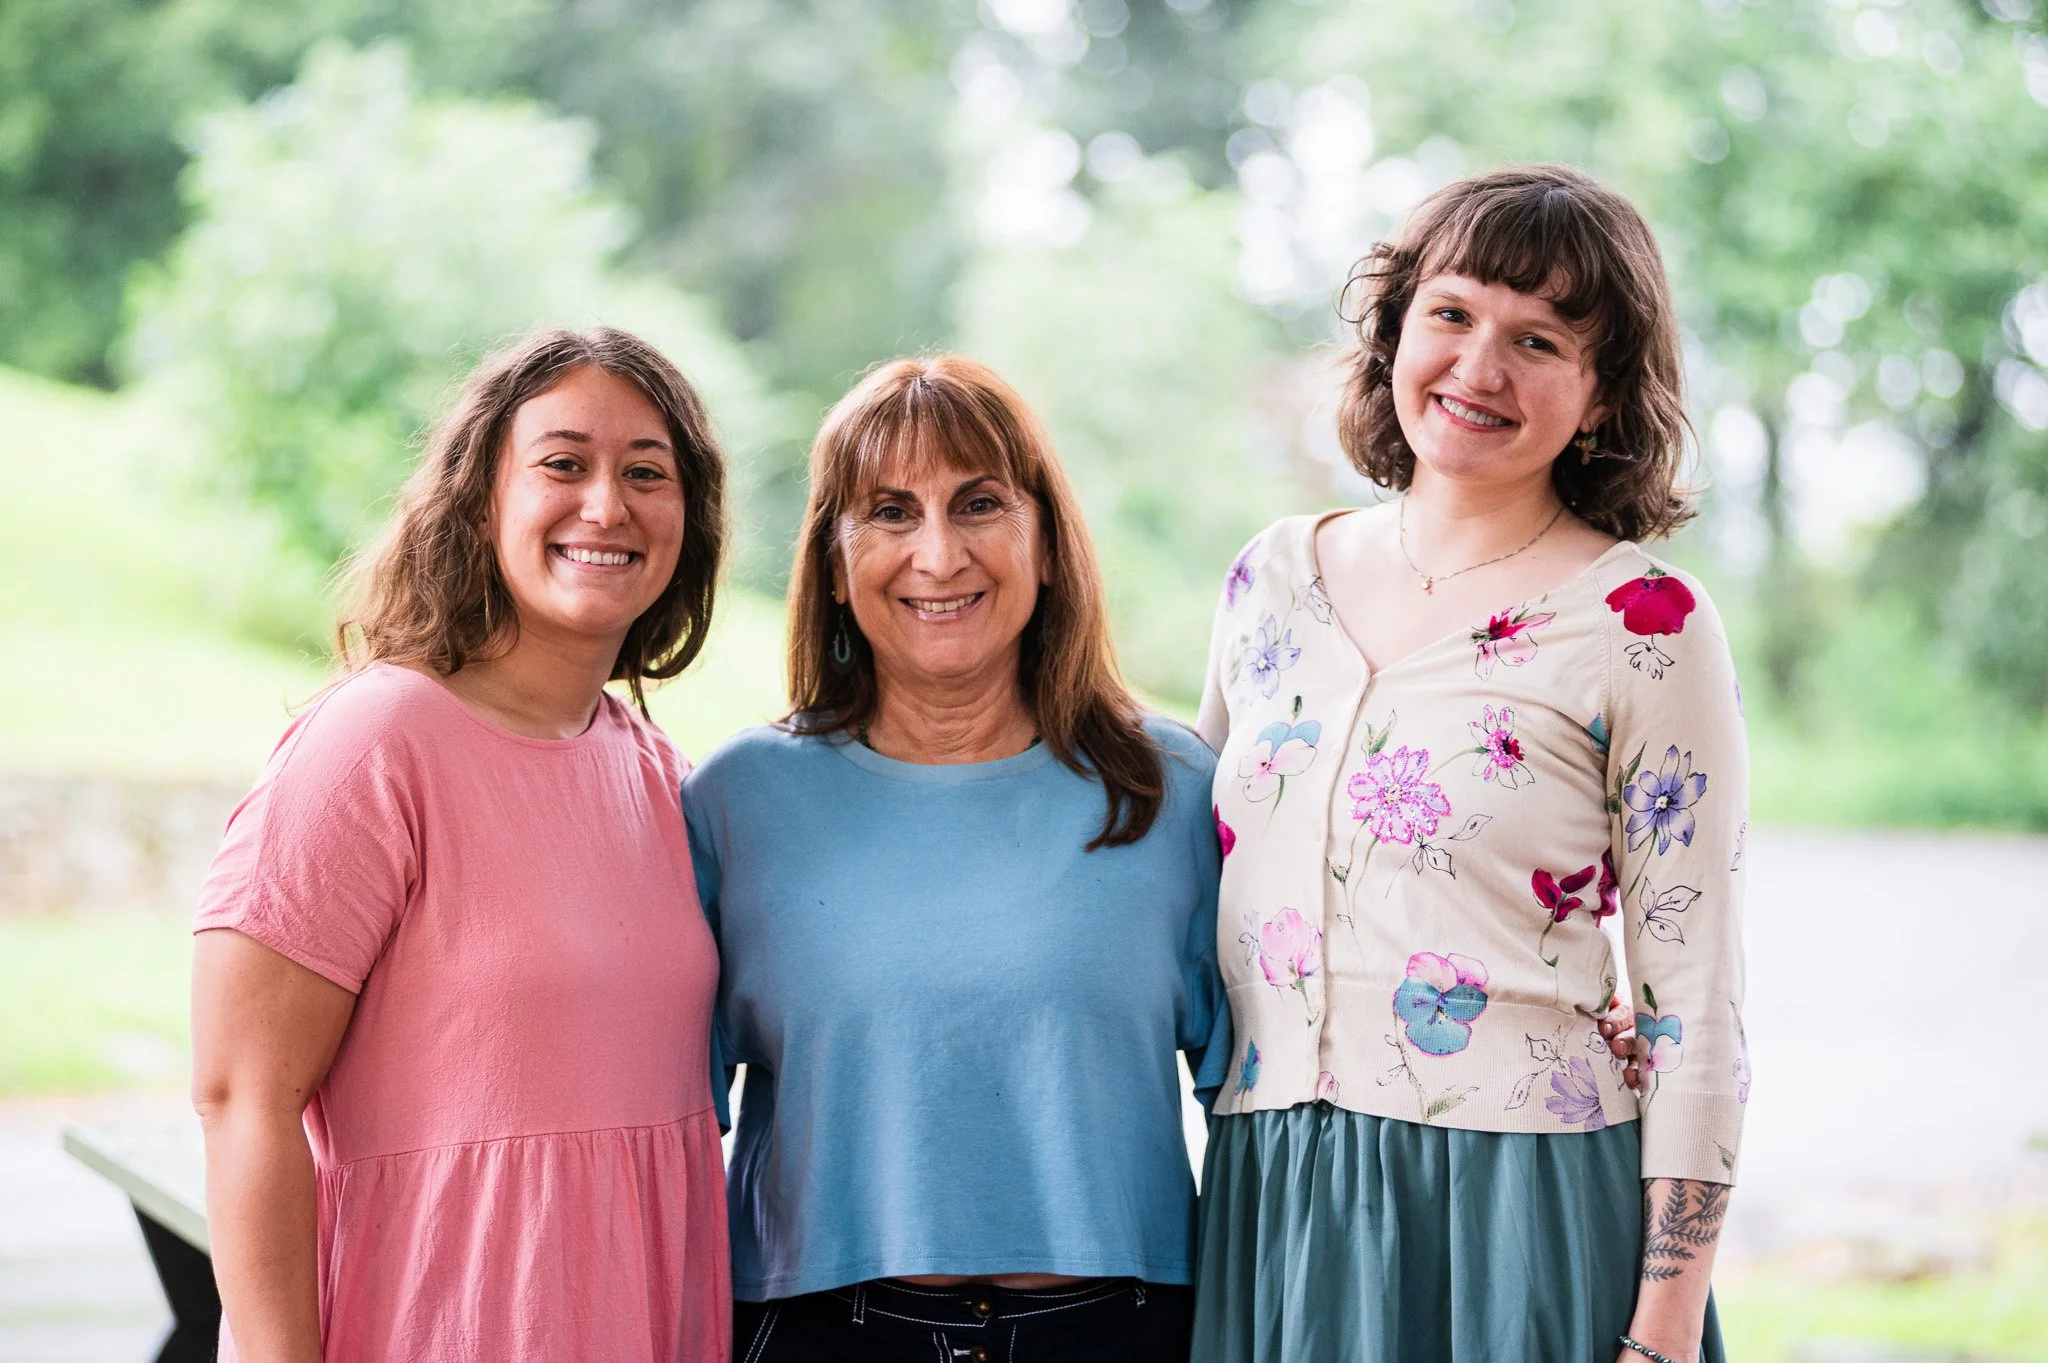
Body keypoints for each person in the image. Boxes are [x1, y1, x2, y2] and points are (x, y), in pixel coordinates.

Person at [1192, 165, 1747, 1363]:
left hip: (1521, 1206)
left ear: (1600, 396)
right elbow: (1185, 871)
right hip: (1272, 1190)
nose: (1479, 368)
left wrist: (1657, 1335)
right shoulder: (1270, 576)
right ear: (1394, 330)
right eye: (1450, 314)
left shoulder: (1644, 619)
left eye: (1537, 339)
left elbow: (1692, 1003)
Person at [189, 328, 733, 1363]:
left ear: (686, 518)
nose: (606, 505)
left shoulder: (661, 777)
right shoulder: (375, 745)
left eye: (646, 473)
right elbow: (241, 1096)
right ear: (484, 498)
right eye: (562, 463)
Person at [682, 355, 1229, 1362]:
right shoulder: (733, 802)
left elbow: (1252, 1110)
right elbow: (653, 1124)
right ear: (835, 567)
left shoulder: (1174, 790)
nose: (936, 554)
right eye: (889, 512)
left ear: (1047, 544)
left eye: (978, 503)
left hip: (1118, 1331)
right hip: (818, 1332)